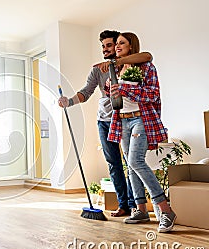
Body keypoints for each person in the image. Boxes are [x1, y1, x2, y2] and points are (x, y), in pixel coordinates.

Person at [58, 30, 152, 217]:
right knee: (113, 163)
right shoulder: (98, 69)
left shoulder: (130, 63)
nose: (106, 49)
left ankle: (136, 205)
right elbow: (86, 92)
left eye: (110, 45)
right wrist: (69, 101)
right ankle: (123, 204)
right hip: (105, 121)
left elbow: (147, 56)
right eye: (104, 46)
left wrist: (117, 63)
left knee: (131, 162)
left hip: (126, 119)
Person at [107, 32, 176, 233]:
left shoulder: (146, 67)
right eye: (116, 43)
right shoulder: (118, 69)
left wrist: (124, 89)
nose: (117, 46)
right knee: (130, 165)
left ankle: (166, 211)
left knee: (136, 161)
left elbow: (153, 94)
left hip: (141, 119)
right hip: (123, 121)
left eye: (122, 43)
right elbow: (117, 98)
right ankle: (141, 210)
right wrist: (112, 89)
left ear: (131, 46)